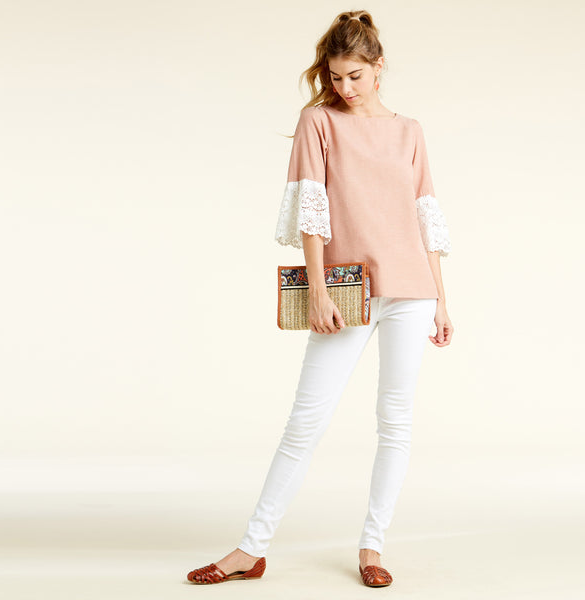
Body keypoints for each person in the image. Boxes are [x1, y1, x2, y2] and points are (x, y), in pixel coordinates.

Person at [186, 9, 453, 588]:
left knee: (395, 422)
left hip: (412, 290)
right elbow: (313, 208)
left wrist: (441, 299)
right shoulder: (318, 122)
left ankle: (373, 547)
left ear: (378, 67)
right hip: (347, 289)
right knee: (305, 422)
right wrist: (318, 290)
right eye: (335, 76)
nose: (344, 87)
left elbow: (425, 213)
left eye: (355, 75)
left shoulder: (410, 130)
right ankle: (251, 550)